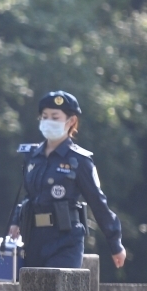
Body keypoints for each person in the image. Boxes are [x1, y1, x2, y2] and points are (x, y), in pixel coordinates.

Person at [8, 91, 125, 269]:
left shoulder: (79, 160)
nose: (48, 121)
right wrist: (16, 221)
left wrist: (115, 242)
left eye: (55, 117)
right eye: (45, 116)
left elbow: (97, 202)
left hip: (65, 240)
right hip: (33, 238)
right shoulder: (32, 156)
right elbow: (28, 195)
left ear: (70, 121)